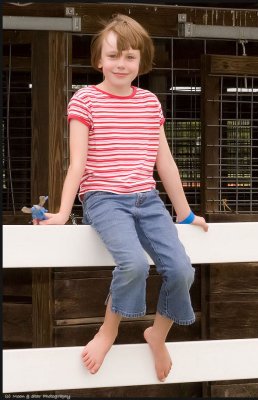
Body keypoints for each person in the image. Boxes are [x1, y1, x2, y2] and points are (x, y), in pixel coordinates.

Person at [36, 14, 208, 382]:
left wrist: (186, 213)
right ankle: (108, 330)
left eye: (130, 57)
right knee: (133, 264)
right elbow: (77, 164)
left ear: (141, 62)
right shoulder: (85, 100)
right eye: (114, 56)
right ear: (99, 59)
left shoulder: (148, 103)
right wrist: (64, 212)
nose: (121, 63)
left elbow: (165, 162)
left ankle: (157, 334)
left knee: (181, 269)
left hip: (147, 199)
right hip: (104, 199)